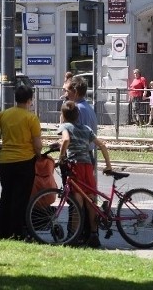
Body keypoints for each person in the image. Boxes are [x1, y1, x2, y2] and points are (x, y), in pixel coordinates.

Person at [0, 85, 42, 240]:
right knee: (20, 198)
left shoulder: (5, 114)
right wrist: (38, 155)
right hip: (25, 161)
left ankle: (2, 232)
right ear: (30, 100)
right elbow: (37, 143)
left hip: (6, 161)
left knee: (6, 196)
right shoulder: (31, 118)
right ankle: (18, 232)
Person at [57, 101, 113, 248]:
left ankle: (73, 237)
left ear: (63, 115)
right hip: (88, 166)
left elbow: (66, 140)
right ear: (78, 116)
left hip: (76, 167)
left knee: (77, 204)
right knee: (91, 202)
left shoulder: (65, 126)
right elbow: (101, 145)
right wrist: (108, 165)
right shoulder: (86, 128)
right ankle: (94, 235)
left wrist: (61, 156)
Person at [62, 71, 97, 245]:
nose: (64, 94)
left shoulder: (78, 110)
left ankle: (75, 234)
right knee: (88, 196)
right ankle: (90, 233)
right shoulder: (87, 106)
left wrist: (61, 148)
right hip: (88, 156)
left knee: (77, 198)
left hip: (80, 158)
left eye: (67, 91)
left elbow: (76, 135)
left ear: (75, 91)